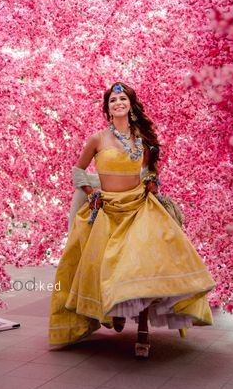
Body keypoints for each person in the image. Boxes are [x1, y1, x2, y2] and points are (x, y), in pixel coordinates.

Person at [49, 81, 216, 358]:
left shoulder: (142, 137)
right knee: (105, 266)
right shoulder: (97, 139)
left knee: (142, 266)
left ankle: (142, 331)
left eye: (122, 99)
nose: (118, 104)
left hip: (139, 207)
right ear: (107, 108)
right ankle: (113, 311)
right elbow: (78, 170)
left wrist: (152, 181)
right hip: (107, 211)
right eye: (113, 101)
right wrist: (91, 193)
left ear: (130, 105)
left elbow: (151, 169)